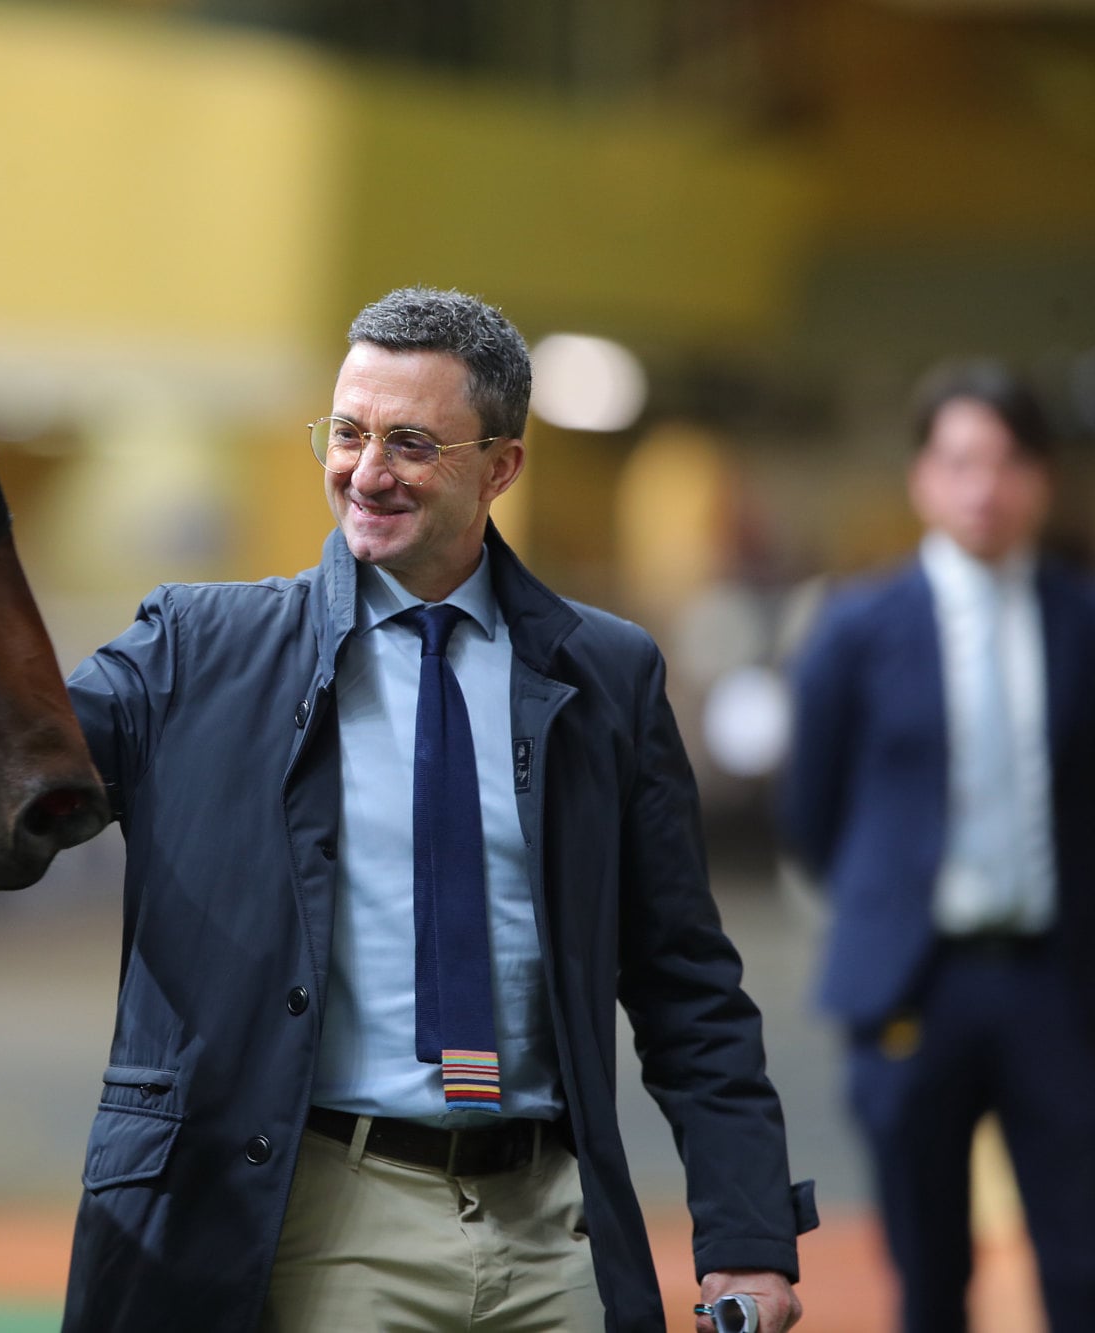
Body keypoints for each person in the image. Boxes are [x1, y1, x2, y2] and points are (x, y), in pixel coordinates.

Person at [59, 288, 814, 1332]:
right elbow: (7, 754)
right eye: (349, 433)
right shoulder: (195, 649)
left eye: (409, 442)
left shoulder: (605, 675)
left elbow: (684, 981)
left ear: (499, 466)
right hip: (323, 1222)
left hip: (554, 1230)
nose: (365, 472)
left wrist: (747, 1241)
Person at [783, 362, 1095, 1332]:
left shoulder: (1082, 621)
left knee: (1081, 1263)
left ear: (1040, 478)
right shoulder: (854, 629)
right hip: (911, 986)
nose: (981, 488)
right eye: (958, 461)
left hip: (1057, 984)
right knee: (927, 1270)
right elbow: (810, 811)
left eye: (1004, 463)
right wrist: (884, 905)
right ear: (922, 476)